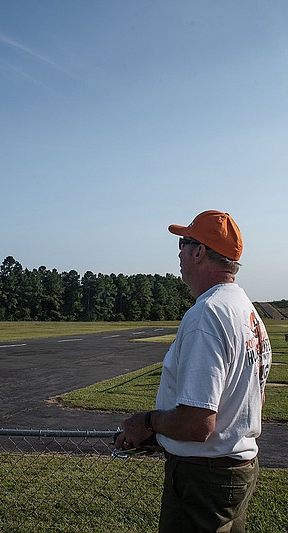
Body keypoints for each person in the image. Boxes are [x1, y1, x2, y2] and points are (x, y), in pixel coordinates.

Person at [116, 210, 272, 533]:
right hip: (235, 474)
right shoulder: (248, 312)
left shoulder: (208, 314)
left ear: (199, 252)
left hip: (202, 482)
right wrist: (161, 437)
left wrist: (145, 423)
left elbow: (198, 423)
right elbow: (251, 402)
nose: (179, 253)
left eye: (184, 243)